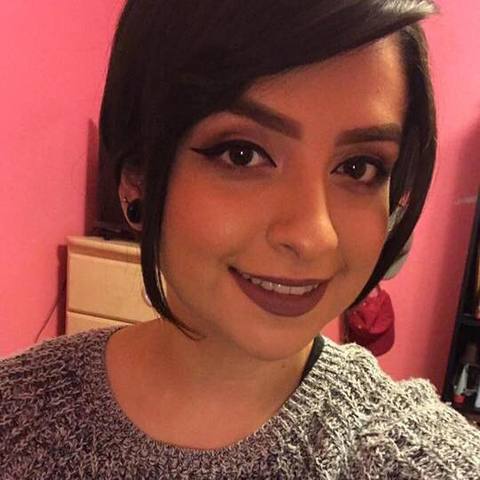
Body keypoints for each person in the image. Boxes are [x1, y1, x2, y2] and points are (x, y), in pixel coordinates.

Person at [1, 0, 480, 478]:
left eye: (359, 167)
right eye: (243, 154)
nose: (314, 237)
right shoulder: (16, 415)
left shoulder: (415, 457)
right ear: (137, 175)